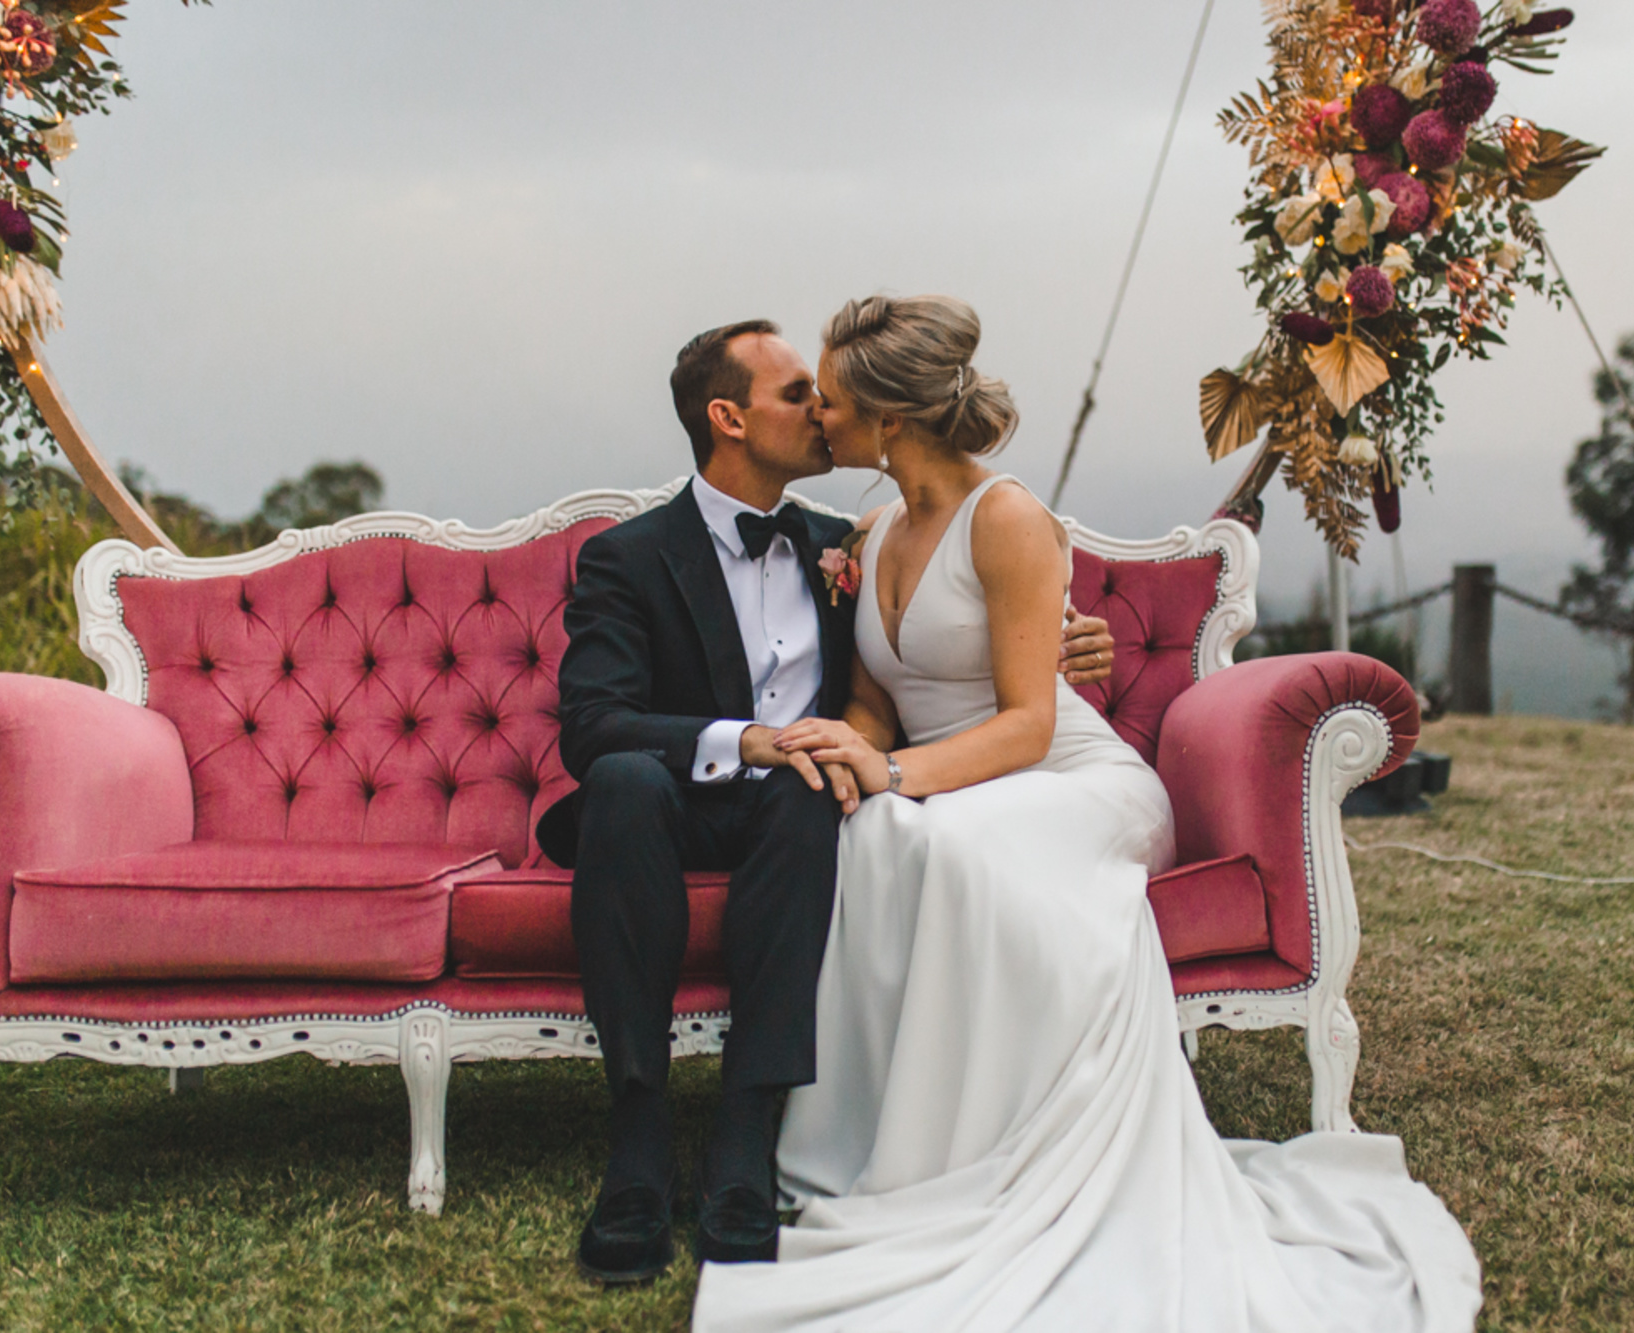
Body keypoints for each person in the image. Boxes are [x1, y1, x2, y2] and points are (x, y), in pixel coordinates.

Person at [690, 295, 1484, 1331]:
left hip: (1071, 782)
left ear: (887, 420)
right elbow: (876, 698)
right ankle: (902, 1144)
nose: (819, 420)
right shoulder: (874, 529)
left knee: (948, 841)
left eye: (832, 402)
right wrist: (853, 748)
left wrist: (893, 776)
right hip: (950, 776)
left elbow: (1026, 725)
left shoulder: (1008, 518)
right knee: (878, 833)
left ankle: (1000, 1152)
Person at [534, 319, 1118, 1283]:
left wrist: (1064, 639)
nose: (820, 410)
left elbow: (927, 651)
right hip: (674, 800)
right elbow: (593, 724)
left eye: (823, 393)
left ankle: (744, 1140)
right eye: (797, 392)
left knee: (816, 790)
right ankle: (636, 1143)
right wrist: (738, 741)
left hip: (795, 808)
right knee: (624, 780)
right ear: (728, 418)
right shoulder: (627, 558)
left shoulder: (843, 544)